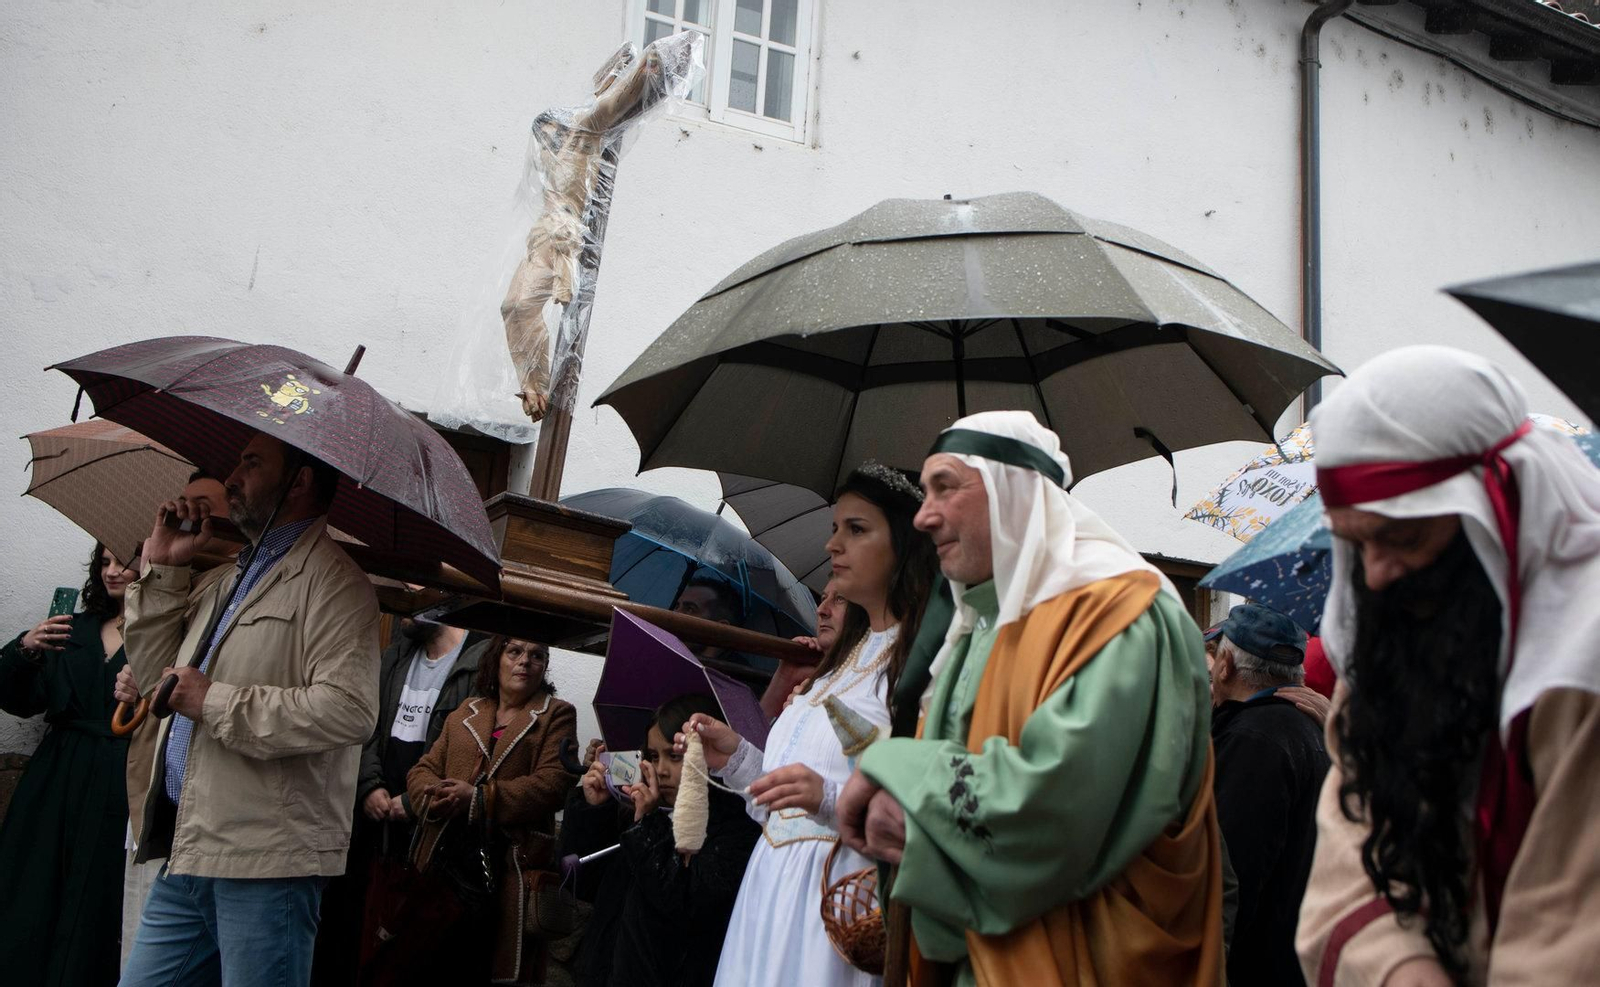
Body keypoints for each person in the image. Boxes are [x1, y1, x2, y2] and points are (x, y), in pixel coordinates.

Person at [837, 410, 1225, 986]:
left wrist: (892, 769)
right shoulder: (978, 624)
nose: (924, 516)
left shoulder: (1123, 613)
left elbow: (1055, 807)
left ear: (1011, 489)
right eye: (923, 493)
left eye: (946, 487)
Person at [1297, 347, 1600, 986]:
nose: (1374, 576)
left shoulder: (1584, 665)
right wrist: (1400, 968)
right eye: (1356, 544)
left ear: (1495, 512)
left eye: (1403, 537)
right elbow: (1353, 842)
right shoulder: (1390, 648)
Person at [118, 431, 381, 986]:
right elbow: (155, 681)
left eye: (252, 464)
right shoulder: (229, 577)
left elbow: (350, 709)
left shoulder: (336, 584)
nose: (233, 479)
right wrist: (163, 571)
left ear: (300, 480)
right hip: (193, 846)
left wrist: (213, 699)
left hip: (267, 863)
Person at [680, 461, 937, 987]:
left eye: (856, 529)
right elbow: (779, 811)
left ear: (908, 544)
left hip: (839, 894)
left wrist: (829, 798)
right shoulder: (837, 664)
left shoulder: (926, 665)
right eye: (834, 529)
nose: (832, 546)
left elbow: (927, 809)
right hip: (770, 892)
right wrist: (737, 759)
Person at [309, 617, 489, 985]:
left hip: (432, 836)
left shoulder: (479, 660)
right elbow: (364, 724)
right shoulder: (393, 656)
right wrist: (369, 785)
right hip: (372, 829)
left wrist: (415, 800)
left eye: (415, 587)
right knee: (352, 935)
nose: (407, 603)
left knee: (410, 949)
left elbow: (472, 750)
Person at [400, 636, 577, 986]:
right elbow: (422, 770)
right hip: (445, 859)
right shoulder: (467, 710)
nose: (525, 661)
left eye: (537, 655)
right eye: (515, 652)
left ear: (544, 667)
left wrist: (480, 799)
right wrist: (433, 796)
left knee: (486, 966)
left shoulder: (556, 714)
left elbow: (554, 784)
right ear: (497, 659)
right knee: (430, 961)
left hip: (508, 866)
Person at [0, 542, 138, 986]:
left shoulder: (167, 632)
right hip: (56, 774)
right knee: (32, 885)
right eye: (105, 563)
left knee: (98, 895)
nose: (113, 573)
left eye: (125, 564)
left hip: (121, 777)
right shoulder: (70, 627)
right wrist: (25, 648)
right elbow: (21, 700)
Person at [562, 693, 760, 986]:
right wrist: (595, 810)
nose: (661, 770)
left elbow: (687, 907)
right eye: (653, 756)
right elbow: (586, 887)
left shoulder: (735, 826)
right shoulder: (646, 811)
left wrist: (648, 827)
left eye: (675, 756)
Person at [1208, 603, 1330, 987]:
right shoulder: (1308, 727)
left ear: (1225, 664)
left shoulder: (1253, 739)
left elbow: (1233, 873)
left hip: (1254, 964)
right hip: (1294, 956)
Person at [761, 578, 846, 718]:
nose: (821, 610)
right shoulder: (811, 680)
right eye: (823, 598)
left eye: (839, 599)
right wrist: (786, 675)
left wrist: (809, 714)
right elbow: (755, 735)